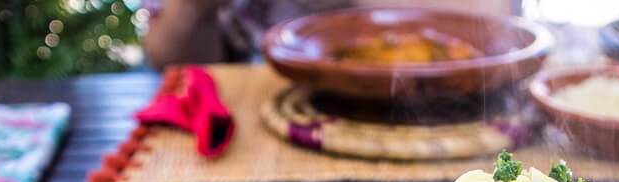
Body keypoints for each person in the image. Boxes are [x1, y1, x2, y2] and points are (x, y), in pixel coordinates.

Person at [142, 0, 517, 68]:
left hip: (449, 121)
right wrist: (192, 9)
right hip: (269, 118)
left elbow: (491, 27)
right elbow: (167, 59)